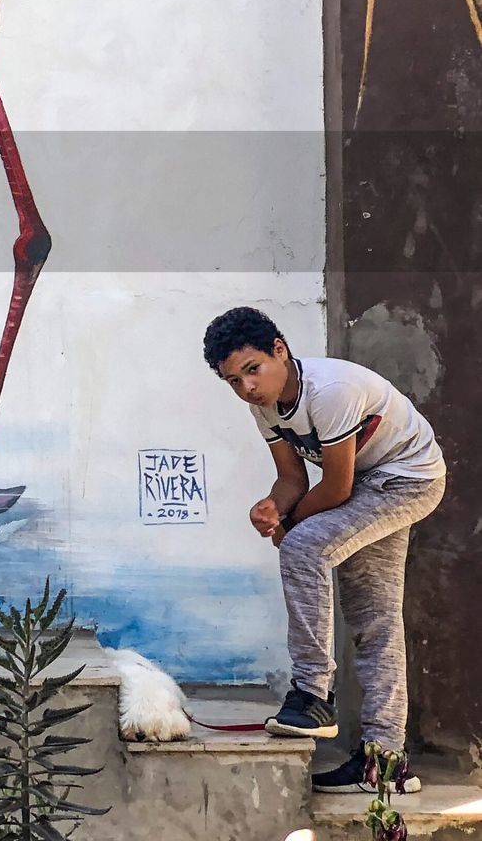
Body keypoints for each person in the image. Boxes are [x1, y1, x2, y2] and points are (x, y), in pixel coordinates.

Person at [202, 306, 446, 794]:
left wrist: (291, 524)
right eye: (233, 380)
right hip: (366, 488)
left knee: (303, 548)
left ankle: (313, 694)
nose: (247, 387)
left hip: (407, 480)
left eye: (253, 370)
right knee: (373, 617)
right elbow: (294, 478)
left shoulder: (330, 391)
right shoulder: (264, 406)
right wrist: (273, 506)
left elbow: (334, 488)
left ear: (280, 350)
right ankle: (387, 760)